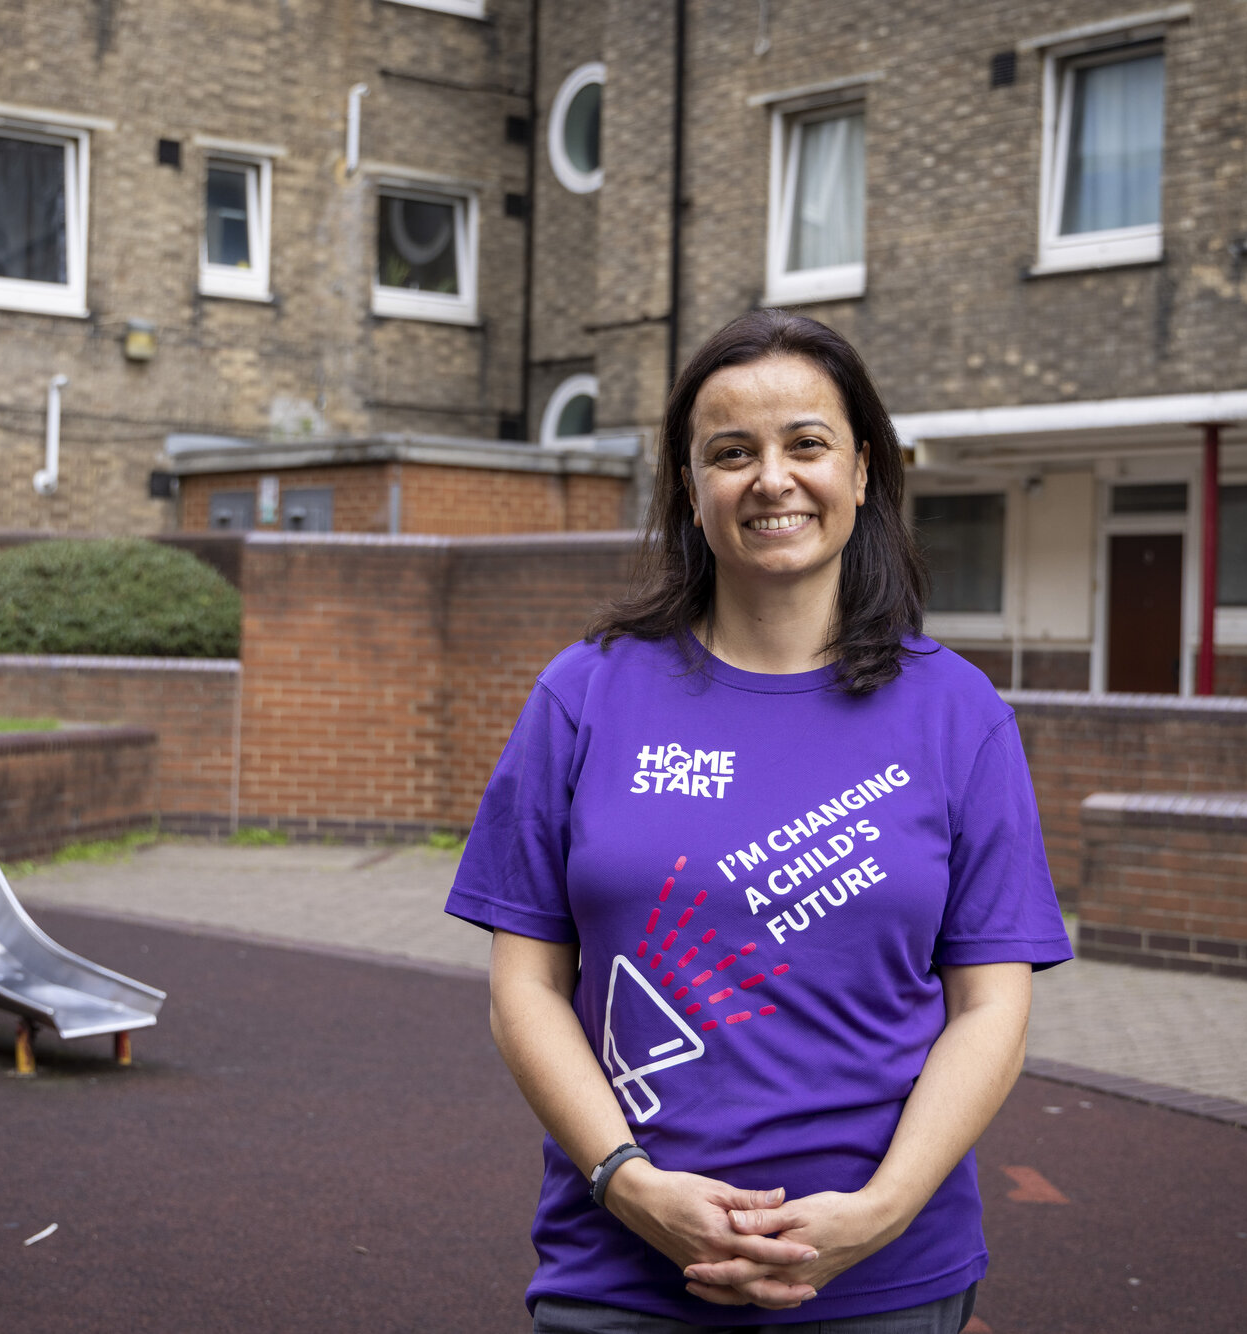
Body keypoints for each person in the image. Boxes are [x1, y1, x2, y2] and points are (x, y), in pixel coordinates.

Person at [445, 310, 1071, 1332]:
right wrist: (630, 1183)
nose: (769, 478)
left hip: (884, 1279)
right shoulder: (584, 695)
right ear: (690, 491)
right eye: (730, 452)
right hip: (623, 1273)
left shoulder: (957, 714)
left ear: (862, 471)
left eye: (805, 443)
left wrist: (878, 1212)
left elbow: (989, 1008)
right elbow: (524, 987)